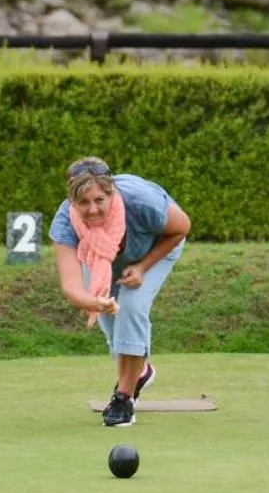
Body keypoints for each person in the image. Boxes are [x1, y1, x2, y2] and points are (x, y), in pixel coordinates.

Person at [48, 157, 191, 428]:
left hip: (155, 250)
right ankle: (142, 370)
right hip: (101, 256)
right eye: (83, 203)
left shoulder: (141, 201)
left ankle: (124, 397)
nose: (92, 210)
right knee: (111, 319)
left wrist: (142, 267)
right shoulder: (65, 222)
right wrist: (95, 302)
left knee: (132, 307)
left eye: (99, 200)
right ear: (72, 201)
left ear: (111, 193)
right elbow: (71, 286)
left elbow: (181, 228)